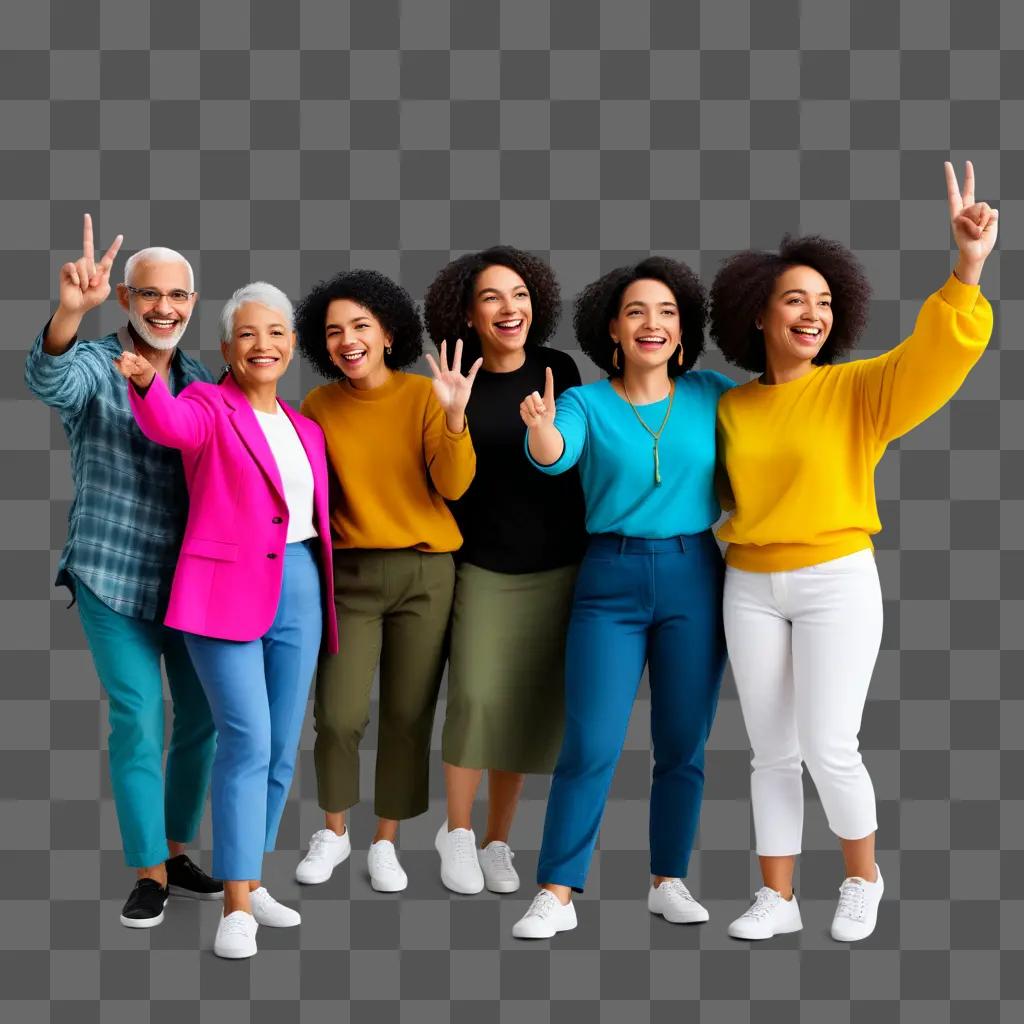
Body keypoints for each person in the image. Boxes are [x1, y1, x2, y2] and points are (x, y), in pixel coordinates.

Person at [711, 162, 996, 943]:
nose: (813, 314)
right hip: (749, 586)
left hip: (836, 582)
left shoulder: (860, 391)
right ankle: (777, 897)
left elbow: (937, 356)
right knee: (770, 753)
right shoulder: (729, 405)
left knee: (831, 744)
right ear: (758, 315)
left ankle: (862, 877)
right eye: (795, 300)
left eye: (825, 302)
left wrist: (965, 269)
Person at [513, 257, 734, 939]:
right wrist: (541, 426)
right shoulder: (585, 403)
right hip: (609, 579)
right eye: (637, 310)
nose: (652, 324)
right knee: (591, 740)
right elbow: (553, 454)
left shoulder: (714, 393)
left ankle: (669, 878)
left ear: (682, 328)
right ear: (611, 325)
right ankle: (556, 890)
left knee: (682, 741)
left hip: (694, 573)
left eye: (667, 312)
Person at [116, 282, 337, 959]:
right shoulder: (206, 405)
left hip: (298, 581)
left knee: (278, 747)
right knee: (244, 737)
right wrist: (149, 384)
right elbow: (170, 426)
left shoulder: (307, 427)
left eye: (275, 333)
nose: (262, 345)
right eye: (247, 334)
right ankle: (236, 904)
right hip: (222, 590)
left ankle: (253, 875)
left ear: (292, 345)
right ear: (226, 347)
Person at [24, 215, 220, 928]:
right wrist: (69, 314)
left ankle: (173, 849)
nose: (164, 307)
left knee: (201, 717)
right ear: (127, 299)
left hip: (194, 581)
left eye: (178, 295)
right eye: (148, 294)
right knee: (139, 716)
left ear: (192, 304)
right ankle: (147, 872)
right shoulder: (94, 362)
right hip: (111, 572)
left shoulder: (203, 378)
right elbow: (49, 379)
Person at [292, 270, 479, 893]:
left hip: (426, 574)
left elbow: (453, 487)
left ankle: (385, 842)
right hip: (349, 574)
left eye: (361, 327)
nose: (348, 340)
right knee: (339, 715)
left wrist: (454, 419)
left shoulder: (426, 396)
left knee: (407, 713)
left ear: (388, 333)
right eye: (334, 331)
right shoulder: (318, 407)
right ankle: (335, 832)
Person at [423, 246, 587, 895]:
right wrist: (456, 412)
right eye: (491, 297)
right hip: (484, 566)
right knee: (476, 698)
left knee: (526, 707)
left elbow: (573, 458)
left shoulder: (559, 369)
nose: (508, 308)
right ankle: (457, 832)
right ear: (468, 311)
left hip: (559, 563)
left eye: (518, 294)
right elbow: (449, 484)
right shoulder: (450, 380)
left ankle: (497, 841)